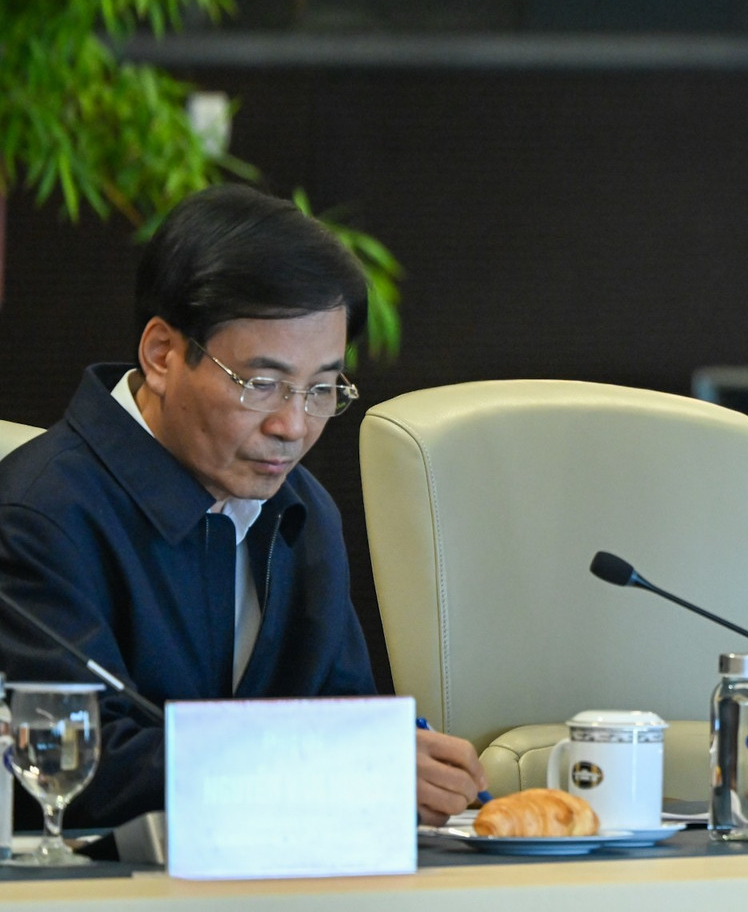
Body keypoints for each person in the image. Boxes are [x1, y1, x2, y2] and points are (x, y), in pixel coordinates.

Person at [0, 184, 486, 827]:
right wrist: (333, 764)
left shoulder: (302, 508)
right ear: (163, 355)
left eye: (321, 389)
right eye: (263, 384)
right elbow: (72, 770)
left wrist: (400, 760)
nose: (293, 426)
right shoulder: (36, 517)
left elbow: (341, 714)